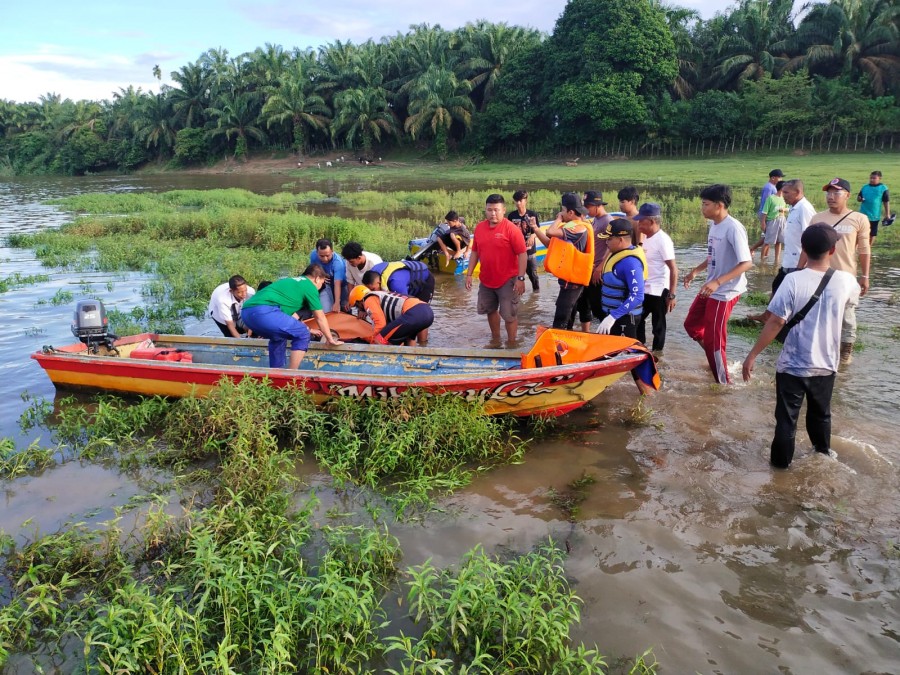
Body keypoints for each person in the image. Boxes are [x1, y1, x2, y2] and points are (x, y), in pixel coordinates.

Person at [742, 224, 860, 469]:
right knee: (821, 414)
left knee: (787, 420)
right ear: (833, 249)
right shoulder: (846, 281)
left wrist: (752, 355)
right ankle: (823, 456)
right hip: (826, 364)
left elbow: (775, 322)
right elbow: (851, 302)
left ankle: (780, 470)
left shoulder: (792, 280)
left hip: (792, 365)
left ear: (803, 249)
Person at [683, 184, 753, 384]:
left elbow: (747, 262)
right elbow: (713, 255)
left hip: (725, 291)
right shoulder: (714, 225)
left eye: (705, 204)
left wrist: (718, 281)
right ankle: (717, 359)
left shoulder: (733, 228)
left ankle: (724, 383)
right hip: (712, 286)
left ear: (719, 205)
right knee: (691, 325)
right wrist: (696, 271)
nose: (702, 208)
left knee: (715, 341)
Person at [240, 264, 343, 369]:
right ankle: (292, 374)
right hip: (264, 311)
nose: (320, 286)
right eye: (322, 283)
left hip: (246, 313)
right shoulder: (309, 286)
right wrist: (330, 339)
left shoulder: (291, 281)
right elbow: (320, 317)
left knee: (279, 337)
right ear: (317, 279)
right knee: (303, 333)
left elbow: (289, 321)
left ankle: (276, 373)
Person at [815, 177, 871, 365]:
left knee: (847, 317)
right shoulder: (818, 218)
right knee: (821, 315)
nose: (831, 197)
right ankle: (824, 350)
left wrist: (865, 276)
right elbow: (807, 247)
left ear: (847, 195)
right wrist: (799, 271)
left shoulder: (859, 219)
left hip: (846, 277)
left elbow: (864, 249)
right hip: (819, 275)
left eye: (836, 193)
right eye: (828, 193)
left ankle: (845, 353)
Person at [466, 193, 528, 343]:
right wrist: (468, 274)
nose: (493, 213)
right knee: (489, 310)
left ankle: (512, 343)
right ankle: (496, 340)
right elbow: (475, 251)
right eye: (489, 210)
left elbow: (522, 254)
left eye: (496, 210)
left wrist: (520, 278)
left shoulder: (512, 229)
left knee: (509, 314)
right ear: (485, 210)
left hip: (508, 280)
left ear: (504, 210)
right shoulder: (480, 228)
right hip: (487, 280)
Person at [531, 193, 592, 329]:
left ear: (570, 212)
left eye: (563, 210)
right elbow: (550, 243)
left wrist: (558, 219)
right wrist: (535, 228)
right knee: (568, 318)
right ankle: (568, 344)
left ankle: (558, 346)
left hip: (572, 283)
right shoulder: (570, 227)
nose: (560, 213)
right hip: (570, 281)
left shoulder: (577, 228)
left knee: (561, 320)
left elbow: (550, 232)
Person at [634, 203, 678, 351]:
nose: (639, 224)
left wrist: (671, 295)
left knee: (658, 326)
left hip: (659, 290)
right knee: (637, 319)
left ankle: (657, 356)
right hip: (645, 288)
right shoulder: (645, 238)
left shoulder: (663, 240)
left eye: (641, 221)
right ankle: (641, 349)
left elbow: (673, 269)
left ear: (652, 222)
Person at [595, 218, 646, 337]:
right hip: (614, 316)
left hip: (625, 318)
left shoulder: (631, 263)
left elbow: (637, 296)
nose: (606, 242)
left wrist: (613, 316)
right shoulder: (616, 253)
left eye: (609, 239)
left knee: (623, 354)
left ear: (621, 239)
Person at [348, 284, 434, 346]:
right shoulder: (381, 294)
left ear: (359, 301)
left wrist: (371, 339)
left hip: (414, 312)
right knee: (408, 339)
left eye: (357, 306)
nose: (359, 309)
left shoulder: (368, 299)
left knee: (379, 340)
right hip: (427, 312)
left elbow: (380, 324)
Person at [579, 190, 614, 331]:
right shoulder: (596, 220)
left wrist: (599, 268)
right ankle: (587, 334)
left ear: (597, 205)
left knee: (598, 307)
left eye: (588, 207)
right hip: (590, 269)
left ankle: (607, 335)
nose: (586, 210)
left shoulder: (608, 221)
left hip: (598, 272)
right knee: (585, 304)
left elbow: (611, 247)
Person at [507, 189, 541, 292]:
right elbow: (508, 233)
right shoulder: (511, 216)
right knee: (516, 276)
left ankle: (536, 295)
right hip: (516, 252)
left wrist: (532, 236)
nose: (518, 203)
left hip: (529, 250)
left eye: (520, 201)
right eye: (516, 201)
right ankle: (517, 297)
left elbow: (537, 230)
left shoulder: (532, 214)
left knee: (533, 275)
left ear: (525, 200)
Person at [750, 169, 784, 257]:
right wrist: (763, 221)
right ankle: (754, 251)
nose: (780, 179)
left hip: (772, 215)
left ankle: (764, 255)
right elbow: (766, 203)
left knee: (767, 237)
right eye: (779, 177)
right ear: (773, 178)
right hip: (767, 215)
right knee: (767, 238)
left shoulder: (774, 187)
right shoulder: (768, 187)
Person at [309, 238, 347, 313]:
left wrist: (337, 302)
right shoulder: (313, 255)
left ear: (332, 251)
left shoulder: (338, 263)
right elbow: (313, 270)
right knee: (329, 308)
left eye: (327, 255)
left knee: (343, 307)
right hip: (327, 283)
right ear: (317, 252)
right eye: (321, 256)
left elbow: (337, 284)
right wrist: (320, 275)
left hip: (341, 285)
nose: (325, 259)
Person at [857, 170, 890, 246]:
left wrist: (887, 214)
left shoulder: (883, 188)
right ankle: (859, 246)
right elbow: (859, 198)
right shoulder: (865, 187)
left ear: (880, 178)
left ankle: (868, 247)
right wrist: (860, 199)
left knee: (872, 233)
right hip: (863, 213)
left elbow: (886, 201)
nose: (871, 180)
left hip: (874, 215)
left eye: (874, 178)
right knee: (861, 231)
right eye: (871, 178)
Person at [759, 180, 788, 263]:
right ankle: (762, 260)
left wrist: (783, 209)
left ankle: (777, 260)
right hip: (772, 221)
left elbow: (788, 208)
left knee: (779, 242)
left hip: (782, 220)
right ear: (782, 188)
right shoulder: (771, 198)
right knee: (767, 241)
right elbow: (764, 212)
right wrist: (763, 222)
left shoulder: (784, 198)